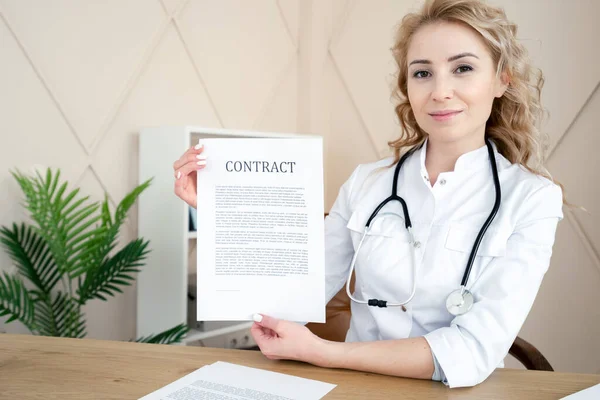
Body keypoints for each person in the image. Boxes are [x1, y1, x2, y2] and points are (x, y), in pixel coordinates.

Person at [172, 0, 565, 388]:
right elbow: (292, 294)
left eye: (463, 68)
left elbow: (472, 350)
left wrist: (323, 353)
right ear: (407, 86)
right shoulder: (367, 183)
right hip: (353, 389)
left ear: (502, 80)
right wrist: (225, 212)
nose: (441, 91)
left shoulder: (532, 199)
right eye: (423, 73)